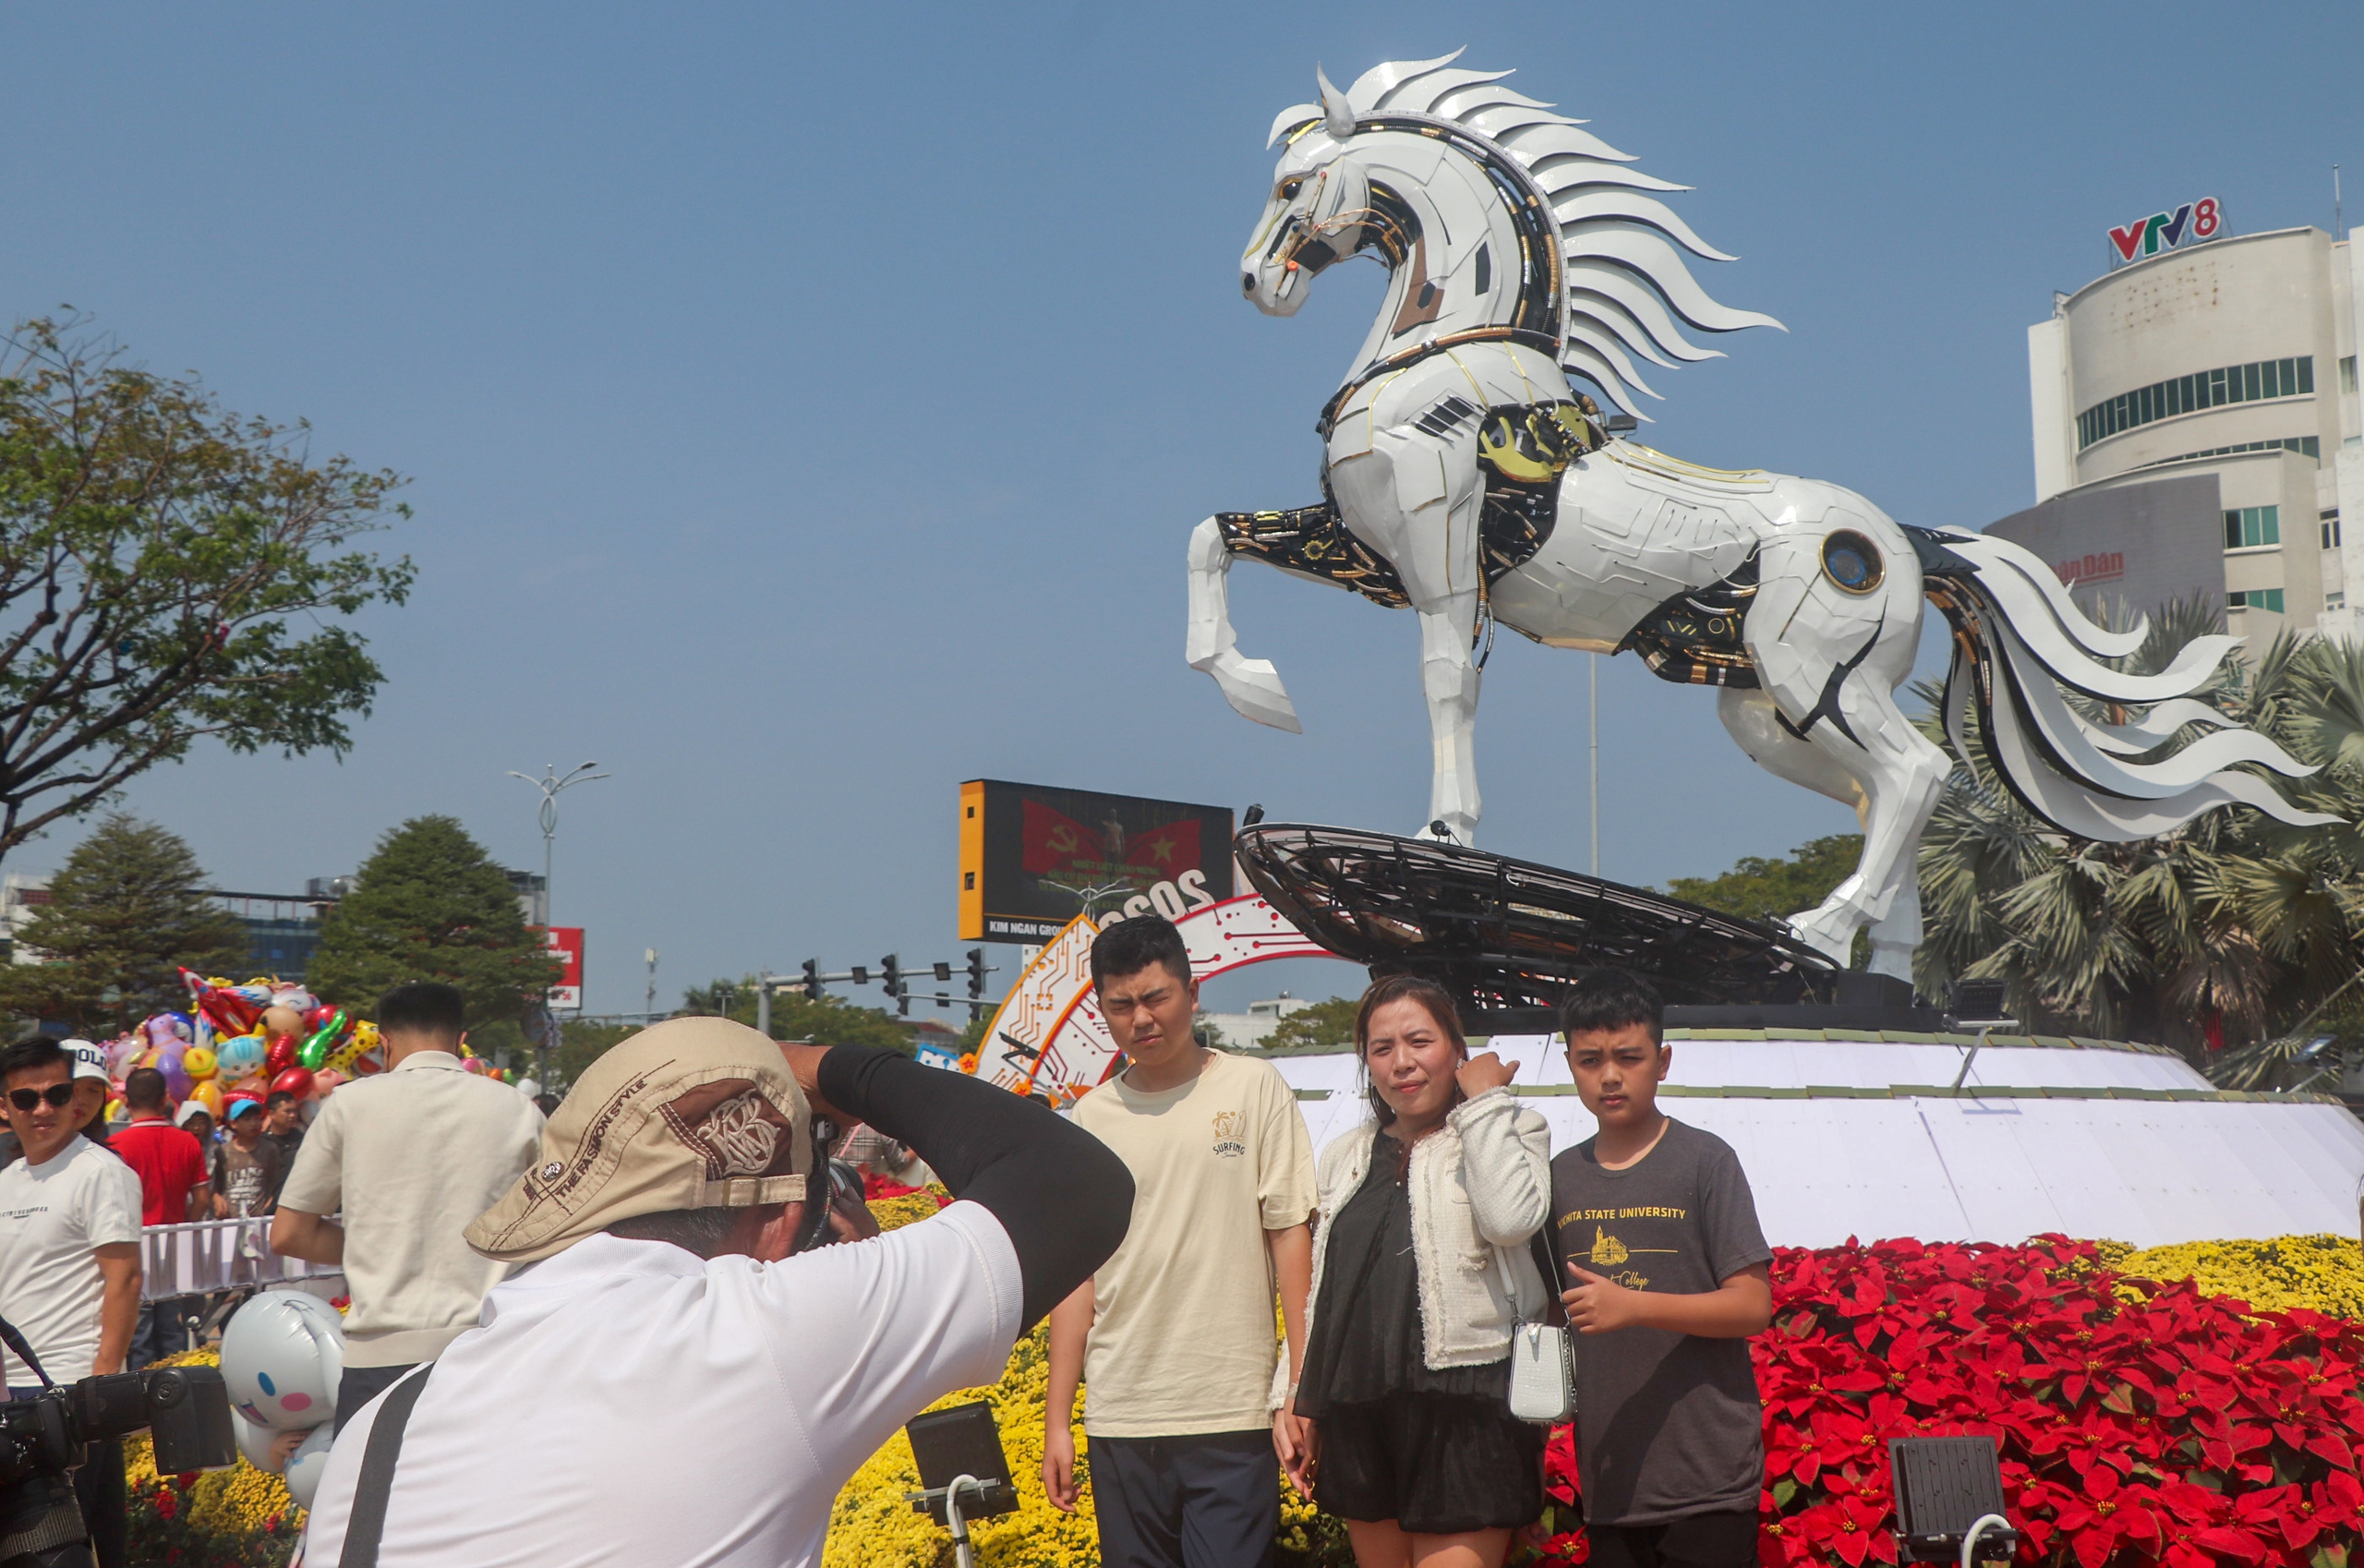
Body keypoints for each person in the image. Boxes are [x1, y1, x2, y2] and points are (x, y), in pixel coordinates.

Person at [299, 1015, 1133, 1564]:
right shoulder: (753, 1338)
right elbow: (1076, 1186)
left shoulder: (383, 1426)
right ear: (778, 1221)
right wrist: (831, 1068)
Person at [1043, 914, 1318, 1568]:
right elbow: (1075, 1278)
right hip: (1122, 1416)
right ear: (1102, 1012)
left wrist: (1301, 1389)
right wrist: (1059, 1420)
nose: (1142, 1018)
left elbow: (1290, 1239)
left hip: (1231, 1410)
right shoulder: (1087, 1122)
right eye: (1121, 1005)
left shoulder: (1253, 1088)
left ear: (1192, 994)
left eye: (1156, 997)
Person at [1284, 975, 1552, 1568]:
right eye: (1382, 1049)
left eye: (1419, 1041)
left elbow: (1511, 1220)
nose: (1402, 1063)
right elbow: (1325, 1289)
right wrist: (1294, 1394)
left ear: (1457, 1049)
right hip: (1360, 1410)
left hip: (1468, 1406)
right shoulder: (1347, 1153)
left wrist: (1483, 1103)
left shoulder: (1511, 1129)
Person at [1550, 970, 1773, 1568]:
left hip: (1709, 1480)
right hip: (1612, 1482)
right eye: (1590, 1059)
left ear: (1663, 1060)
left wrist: (1635, 1305)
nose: (1610, 1075)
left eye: (1629, 1056)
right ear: (1570, 1062)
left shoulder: (1705, 1162)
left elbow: (1753, 1305)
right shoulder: (1558, 1178)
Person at [272, 983, 544, 1429]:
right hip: (488, 1352)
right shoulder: (518, 1109)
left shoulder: (347, 1105)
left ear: (384, 1041)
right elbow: (558, 1224)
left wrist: (374, 1243)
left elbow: (290, 1233)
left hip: (379, 1358)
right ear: (460, 1040)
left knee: (375, 1495)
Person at [0, 1036, 144, 1568]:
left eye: (57, 1094)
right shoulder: (7, 1181)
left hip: (68, 1391)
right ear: (4, 1106)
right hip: (8, 1397)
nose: (44, 1109)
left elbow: (125, 1279)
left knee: (70, 1550)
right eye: (26, 1098)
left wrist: (99, 1388)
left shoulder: (101, 1172)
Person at [111, 1066, 212, 1366]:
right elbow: (202, 1199)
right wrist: (182, 1227)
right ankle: (176, 1395)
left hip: (132, 1250)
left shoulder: (114, 1148)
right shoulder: (189, 1143)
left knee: (139, 1332)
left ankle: (141, 1401)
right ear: (165, 1098)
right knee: (172, 1329)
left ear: (126, 1102)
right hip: (173, 1249)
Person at [211, 1098, 284, 1219]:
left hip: (260, 1219)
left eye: (257, 1119)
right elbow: (214, 1186)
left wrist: (269, 1206)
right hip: (230, 1220)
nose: (254, 1123)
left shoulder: (269, 1149)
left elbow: (276, 1182)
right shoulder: (222, 1152)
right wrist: (216, 1199)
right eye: (247, 1119)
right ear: (234, 1123)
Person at [261, 1090, 305, 1166]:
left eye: (295, 1111)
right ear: (272, 1114)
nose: (292, 1115)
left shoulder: (301, 1139)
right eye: (287, 1111)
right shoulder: (262, 1143)